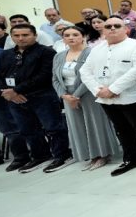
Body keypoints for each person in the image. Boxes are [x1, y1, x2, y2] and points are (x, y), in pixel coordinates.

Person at [79, 16, 136, 176]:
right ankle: (131, 159)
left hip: (131, 96)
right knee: (121, 129)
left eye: (117, 25)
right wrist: (97, 90)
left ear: (126, 29)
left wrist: (114, 89)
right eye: (108, 26)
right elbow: (84, 71)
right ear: (103, 30)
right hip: (105, 98)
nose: (112, 28)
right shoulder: (97, 49)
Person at [0, 24, 73, 173]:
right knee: (27, 129)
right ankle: (40, 155)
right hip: (16, 99)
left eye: (25, 35)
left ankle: (62, 155)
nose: (21, 38)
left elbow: (44, 76)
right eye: (16, 35)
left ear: (35, 36)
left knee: (53, 128)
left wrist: (17, 90)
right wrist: (8, 92)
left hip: (42, 95)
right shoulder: (7, 54)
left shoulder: (46, 52)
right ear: (11, 37)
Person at [49, 26, 120, 171]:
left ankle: (102, 154)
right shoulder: (59, 56)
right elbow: (55, 78)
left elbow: (92, 76)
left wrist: (76, 95)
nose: (71, 38)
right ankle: (90, 155)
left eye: (75, 34)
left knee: (95, 124)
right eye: (67, 35)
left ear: (83, 37)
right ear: (63, 39)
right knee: (77, 127)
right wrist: (63, 95)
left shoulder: (92, 53)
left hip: (89, 92)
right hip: (68, 96)